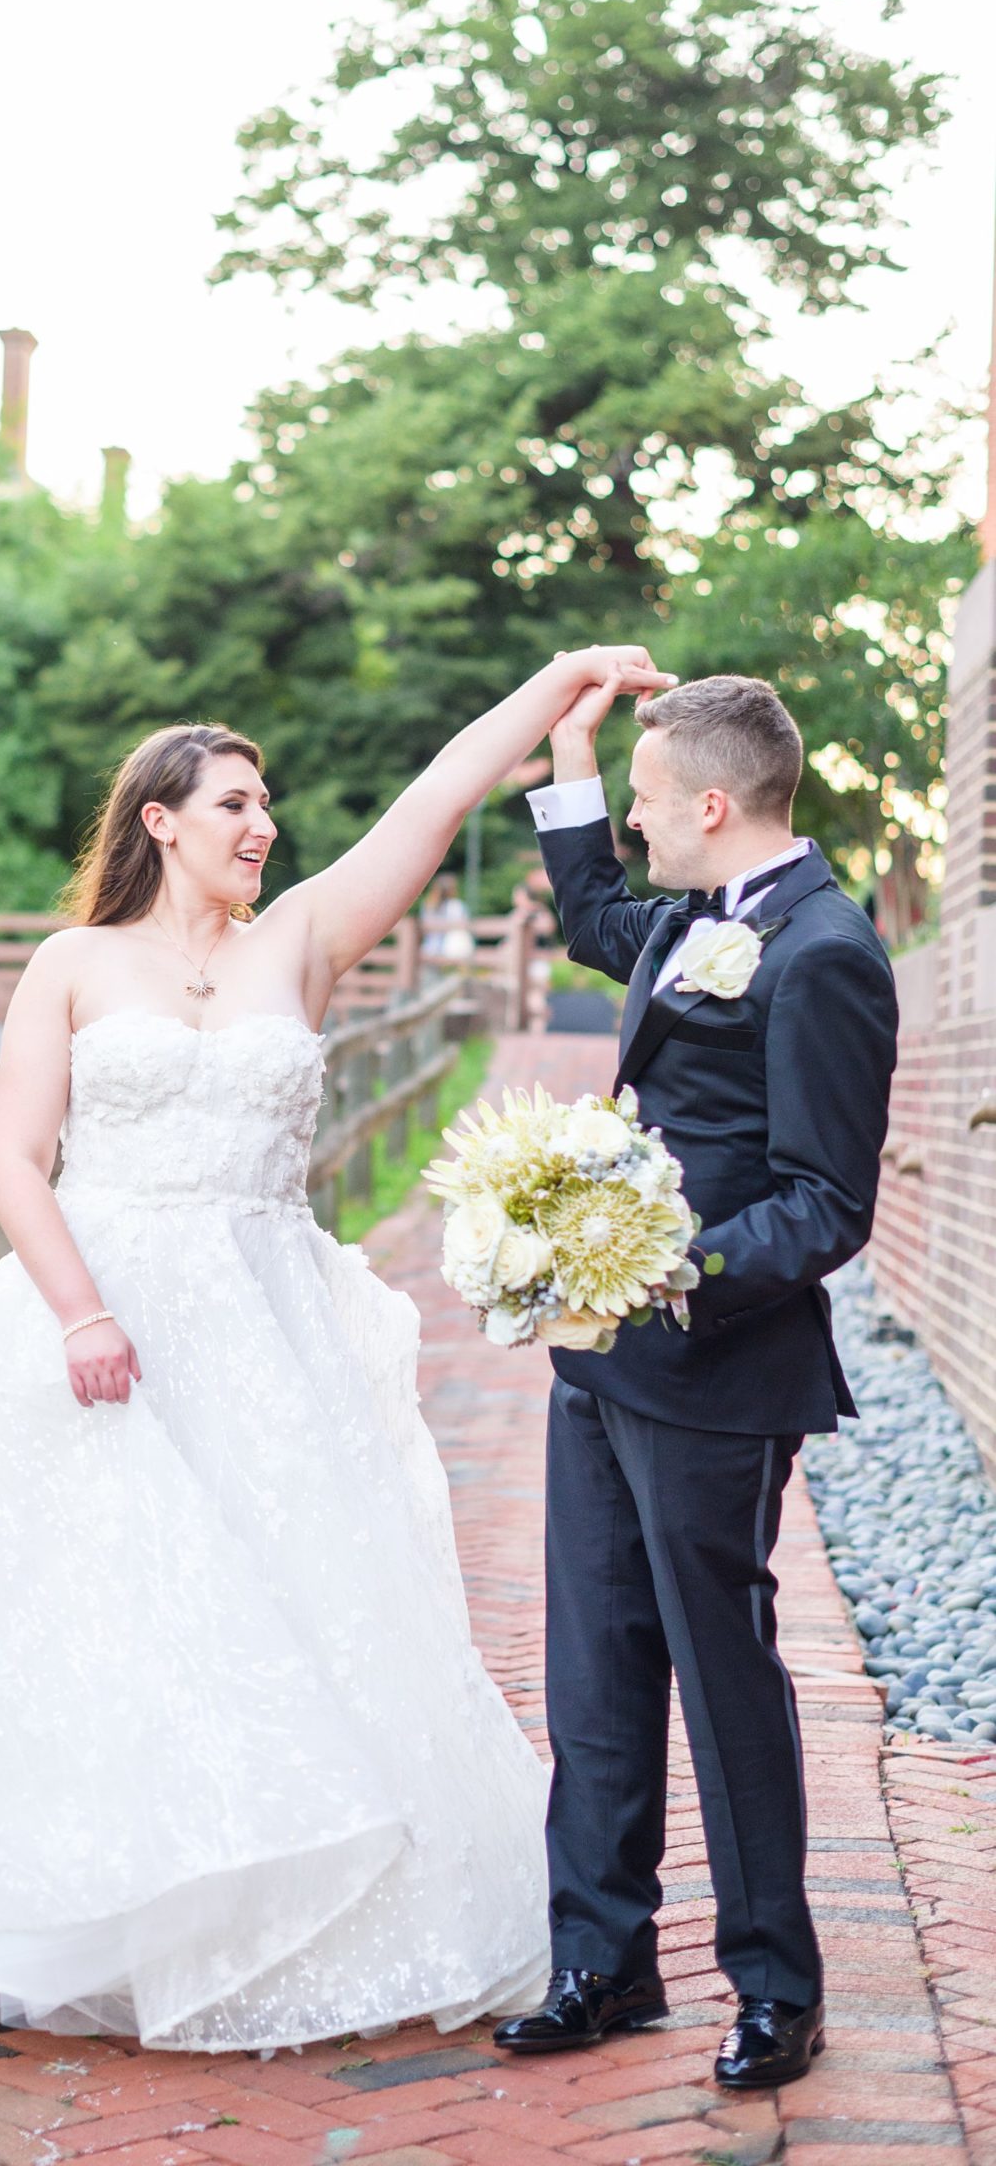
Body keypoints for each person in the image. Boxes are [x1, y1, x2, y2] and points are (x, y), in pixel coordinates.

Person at [0, 643, 672, 2053]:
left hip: (265, 1325)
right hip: (108, 1314)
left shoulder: (296, 940)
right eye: (234, 803)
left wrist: (555, 693)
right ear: (160, 823)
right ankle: (59, 1909)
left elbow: (433, 803)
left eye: (268, 803)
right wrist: (81, 1314)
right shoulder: (72, 964)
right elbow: (13, 1161)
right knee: (96, 1617)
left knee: (290, 1612)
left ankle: (267, 1922)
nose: (262, 824)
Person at [497, 674, 897, 2092]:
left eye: (653, 803)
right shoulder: (686, 918)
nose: (639, 825)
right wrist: (574, 761)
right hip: (598, 1364)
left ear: (714, 808)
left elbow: (822, 1204)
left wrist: (664, 1273)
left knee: (722, 1678)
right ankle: (603, 1962)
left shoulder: (826, 952)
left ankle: (777, 1989)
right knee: (596, 1670)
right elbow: (600, 913)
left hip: (718, 1371)